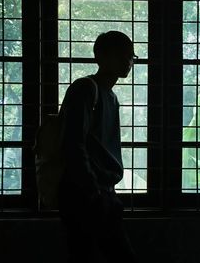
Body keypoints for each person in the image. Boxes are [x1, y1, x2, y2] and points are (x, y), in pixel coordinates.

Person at [58, 30, 139, 263]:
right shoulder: (85, 89)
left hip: (101, 191)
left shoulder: (111, 98)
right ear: (101, 57)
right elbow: (73, 143)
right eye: (122, 54)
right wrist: (92, 188)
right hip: (85, 193)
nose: (128, 61)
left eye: (131, 55)